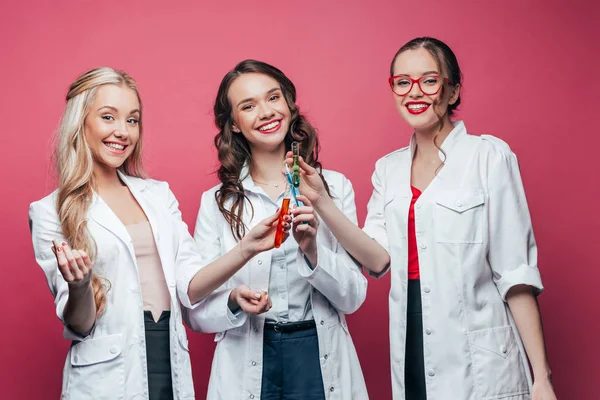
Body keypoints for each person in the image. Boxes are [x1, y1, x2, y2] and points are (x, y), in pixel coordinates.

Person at [285, 37, 557, 400]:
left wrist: (542, 377)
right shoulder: (388, 168)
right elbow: (378, 258)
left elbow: (516, 275)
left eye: (429, 80)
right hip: (412, 339)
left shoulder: (488, 156)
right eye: (402, 82)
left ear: (453, 89)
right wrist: (321, 201)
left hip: (479, 351)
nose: (415, 92)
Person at [182, 60, 369, 399]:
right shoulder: (217, 203)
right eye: (248, 106)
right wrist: (234, 302)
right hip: (249, 354)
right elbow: (195, 313)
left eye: (273, 98)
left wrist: (313, 251)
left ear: (289, 105)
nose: (266, 112)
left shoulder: (334, 189)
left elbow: (354, 297)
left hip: (317, 352)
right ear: (234, 125)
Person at [29, 67, 199, 400]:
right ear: (81, 122)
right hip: (106, 377)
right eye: (108, 117)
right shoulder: (49, 211)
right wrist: (79, 285)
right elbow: (80, 325)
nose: (122, 132)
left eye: (132, 120)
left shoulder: (158, 194)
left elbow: (189, 280)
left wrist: (247, 249)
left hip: (169, 353)